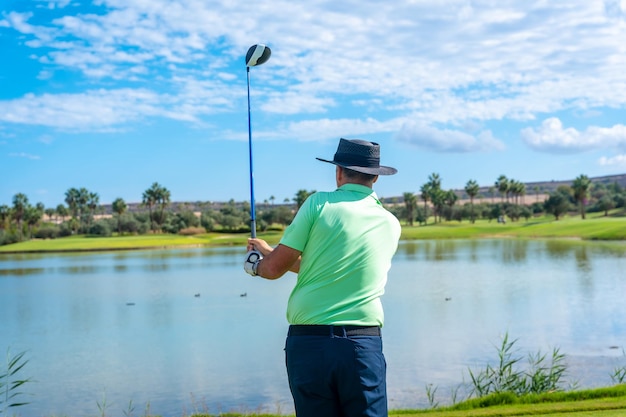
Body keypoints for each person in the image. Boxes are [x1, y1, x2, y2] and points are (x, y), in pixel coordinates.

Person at [244, 138, 401, 417]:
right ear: (375, 177)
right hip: (362, 344)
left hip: (310, 344)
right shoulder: (390, 222)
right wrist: (270, 252)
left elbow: (273, 270)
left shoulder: (318, 204)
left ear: (338, 171)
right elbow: (328, 268)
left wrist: (254, 265)